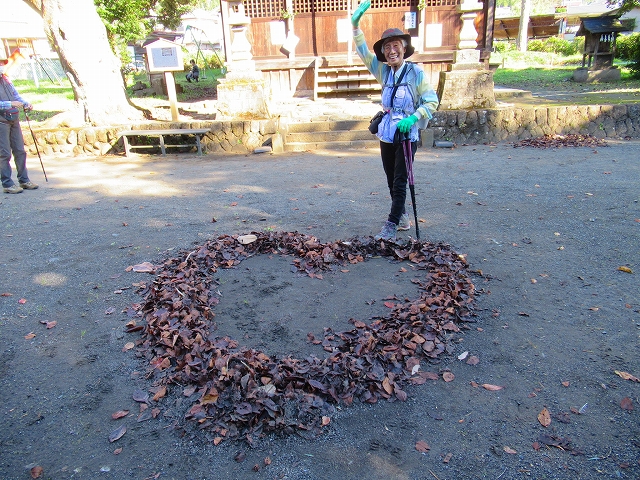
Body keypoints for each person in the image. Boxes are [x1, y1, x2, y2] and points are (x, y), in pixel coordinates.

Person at [351, 0, 439, 241]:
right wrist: (355, 26)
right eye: (387, 47)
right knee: (391, 178)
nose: (391, 51)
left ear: (403, 48)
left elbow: (431, 101)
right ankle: (401, 216)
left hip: (407, 133)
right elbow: (364, 53)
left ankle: (390, 225)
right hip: (388, 132)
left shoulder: (415, 73)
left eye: (396, 46)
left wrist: (413, 118)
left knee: (401, 179)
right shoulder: (383, 71)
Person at [0, 56, 38, 194]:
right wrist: (10, 104)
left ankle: (24, 179)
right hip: (1, 122)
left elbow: (16, 96)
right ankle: (7, 183)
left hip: (13, 119)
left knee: (20, 150)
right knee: (4, 153)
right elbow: (10, 102)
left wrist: (25, 103)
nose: (2, 66)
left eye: (3, 63)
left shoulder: (6, 79)